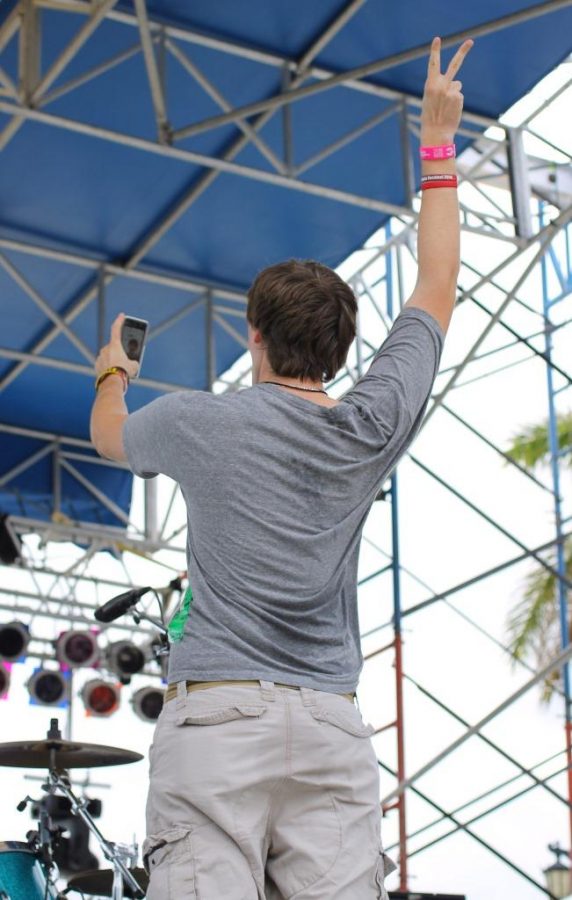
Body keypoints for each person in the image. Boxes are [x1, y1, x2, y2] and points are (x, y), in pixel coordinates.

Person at [90, 35, 473, 900]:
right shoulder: (373, 422)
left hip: (219, 718)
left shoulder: (197, 423)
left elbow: (108, 437)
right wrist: (438, 145)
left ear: (253, 336)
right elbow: (438, 282)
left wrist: (113, 370)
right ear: (339, 353)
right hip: (333, 725)